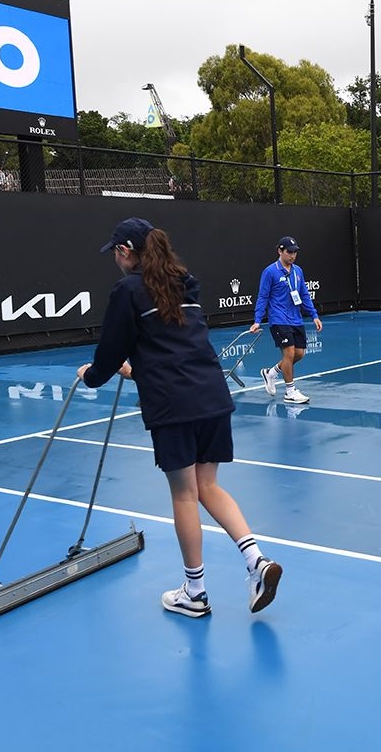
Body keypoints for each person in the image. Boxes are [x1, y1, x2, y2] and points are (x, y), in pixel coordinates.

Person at [77, 217, 282, 619]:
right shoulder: (184, 283)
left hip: (173, 407)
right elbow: (172, 349)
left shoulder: (128, 290)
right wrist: (132, 370)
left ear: (125, 252)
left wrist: (93, 376)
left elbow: (109, 351)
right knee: (209, 486)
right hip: (211, 397)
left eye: (116, 253)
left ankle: (195, 591)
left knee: (185, 494)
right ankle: (257, 561)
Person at [251, 236, 322, 405]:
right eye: (289, 252)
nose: (292, 255)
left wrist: (314, 315)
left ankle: (271, 373)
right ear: (280, 251)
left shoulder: (298, 271)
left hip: (296, 319)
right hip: (278, 318)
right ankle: (290, 391)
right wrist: (257, 320)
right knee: (289, 353)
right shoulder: (270, 272)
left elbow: (304, 293)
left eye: (295, 252)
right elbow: (263, 297)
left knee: (299, 353)